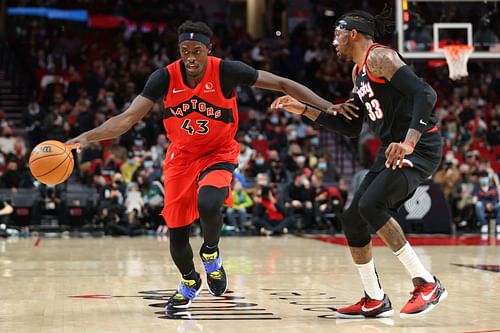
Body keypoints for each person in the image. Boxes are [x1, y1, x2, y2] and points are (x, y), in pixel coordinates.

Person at [66, 20, 356, 311]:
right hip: (181, 156)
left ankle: (210, 253)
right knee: (176, 234)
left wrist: (327, 105)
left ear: (209, 49)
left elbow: (282, 83)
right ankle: (190, 280)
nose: (190, 57)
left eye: (196, 50)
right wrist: (88, 136)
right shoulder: (164, 77)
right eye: (184, 51)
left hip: (218, 151)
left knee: (209, 202)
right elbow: (127, 119)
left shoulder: (228, 71)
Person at [271, 8, 447, 318]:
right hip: (391, 149)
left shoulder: (380, 58)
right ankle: (375, 298)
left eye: (336, 35)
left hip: (418, 148)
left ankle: (427, 283)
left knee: (371, 206)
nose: (333, 42)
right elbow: (351, 127)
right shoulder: (358, 73)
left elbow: (425, 93)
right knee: (352, 219)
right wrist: (303, 110)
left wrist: (409, 142)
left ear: (352, 33)